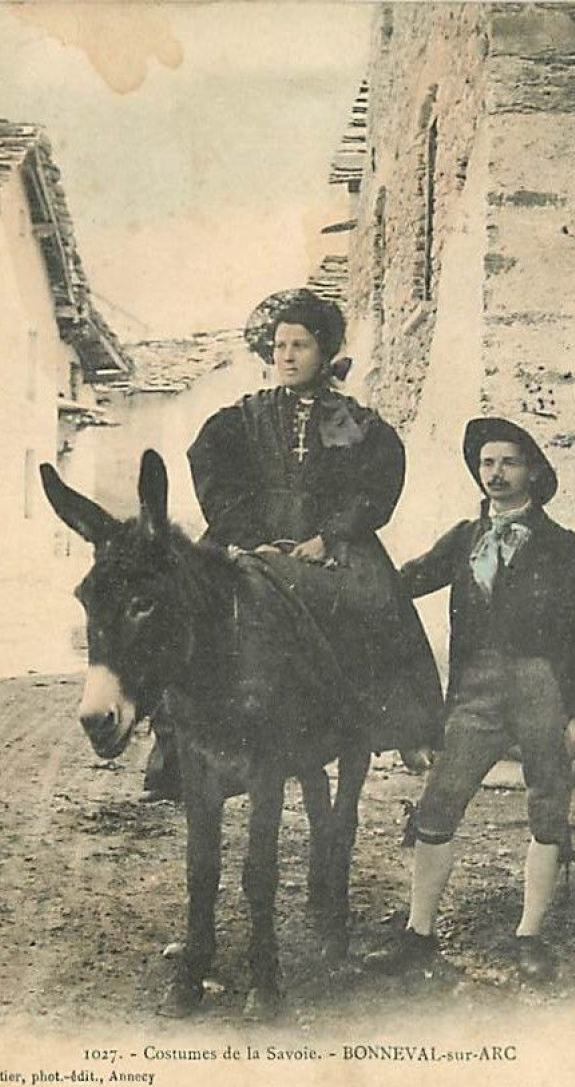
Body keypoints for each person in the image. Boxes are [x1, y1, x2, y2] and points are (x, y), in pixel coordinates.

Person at [143, 288, 443, 797]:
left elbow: (374, 487)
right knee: (192, 604)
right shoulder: (243, 418)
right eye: (279, 346)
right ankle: (177, 750)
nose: (286, 356)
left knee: (376, 601)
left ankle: (398, 728)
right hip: (251, 540)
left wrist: (328, 537)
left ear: (323, 352)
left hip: (329, 542)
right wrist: (251, 539)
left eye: (299, 345)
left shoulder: (356, 424)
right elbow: (217, 479)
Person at [364, 416, 575, 981]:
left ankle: (529, 936)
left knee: (548, 807)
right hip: (475, 688)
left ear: (533, 471)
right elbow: (403, 582)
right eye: (487, 463)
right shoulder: (465, 537)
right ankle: (419, 932)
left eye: (509, 462)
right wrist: (345, 567)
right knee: (438, 804)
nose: (496, 474)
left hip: (540, 686)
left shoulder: (560, 547)